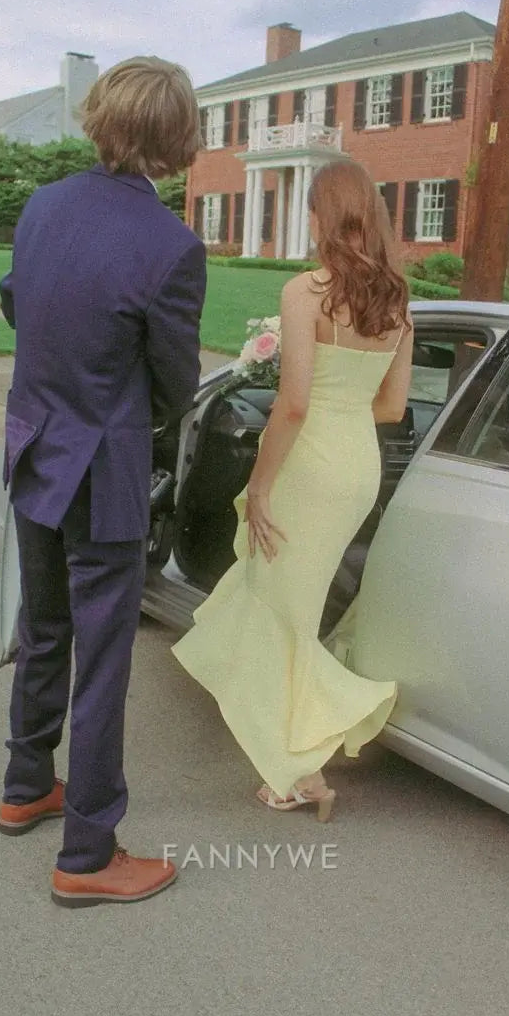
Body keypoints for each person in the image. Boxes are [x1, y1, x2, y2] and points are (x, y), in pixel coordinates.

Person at [0, 57, 206, 907]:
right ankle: (87, 854)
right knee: (104, 659)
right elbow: (178, 382)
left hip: (32, 447)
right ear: (175, 138)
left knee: (43, 628)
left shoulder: (43, 206)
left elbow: (18, 303)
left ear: (100, 117)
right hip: (103, 469)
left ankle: (24, 785)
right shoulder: (171, 246)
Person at [172, 160, 412, 819]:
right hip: (357, 468)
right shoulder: (396, 300)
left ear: (320, 218)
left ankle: (299, 769)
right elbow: (392, 406)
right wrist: (342, 409)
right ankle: (296, 761)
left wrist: (261, 483)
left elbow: (295, 403)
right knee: (279, 604)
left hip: (309, 468)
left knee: (285, 613)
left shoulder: (307, 293)